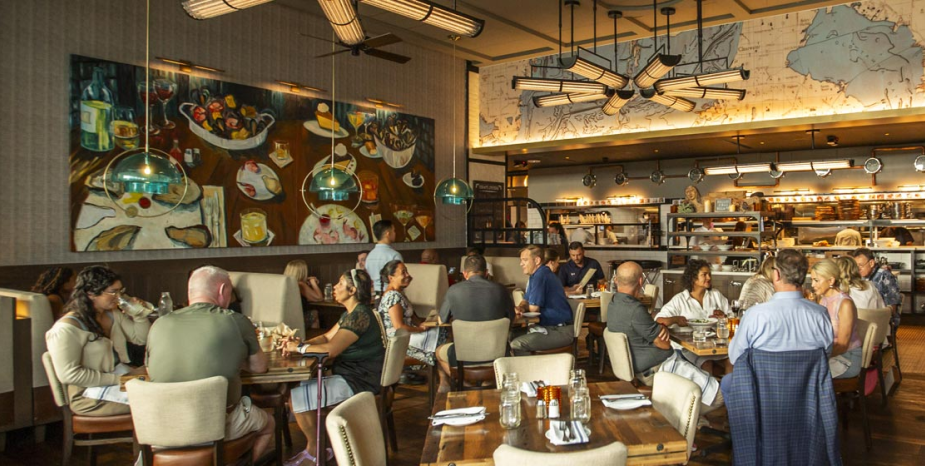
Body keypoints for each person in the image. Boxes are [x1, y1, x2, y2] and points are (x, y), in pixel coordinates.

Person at [145, 266, 274, 463]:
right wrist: (232, 359)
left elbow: (149, 370)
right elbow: (259, 367)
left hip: (161, 429)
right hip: (214, 426)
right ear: (223, 290)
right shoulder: (236, 321)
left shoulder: (159, 324)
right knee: (268, 424)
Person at [280, 269, 384, 466]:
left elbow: (331, 350)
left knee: (295, 396)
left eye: (340, 283)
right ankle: (318, 447)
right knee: (296, 388)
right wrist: (301, 344)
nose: (335, 287)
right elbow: (326, 337)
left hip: (360, 380)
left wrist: (299, 348)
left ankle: (315, 451)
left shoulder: (359, 316)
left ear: (352, 290)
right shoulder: (351, 314)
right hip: (353, 375)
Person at [45, 266, 150, 416]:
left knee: (164, 388)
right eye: (113, 292)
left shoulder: (112, 313)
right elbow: (69, 375)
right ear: (91, 293)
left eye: (121, 291)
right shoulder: (66, 329)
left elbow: (140, 339)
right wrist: (119, 379)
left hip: (117, 379)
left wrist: (138, 314)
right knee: (154, 400)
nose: (119, 297)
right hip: (88, 395)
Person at [724, 249, 835, 393]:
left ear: (776, 275)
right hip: (807, 394)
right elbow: (825, 355)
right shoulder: (820, 314)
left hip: (763, 394)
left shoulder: (755, 315)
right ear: (803, 277)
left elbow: (735, 357)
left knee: (727, 383)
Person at [435, 254, 515, 391]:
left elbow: (442, 320)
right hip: (497, 355)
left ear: (465, 274)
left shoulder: (453, 290)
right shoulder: (501, 290)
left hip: (462, 357)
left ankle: (460, 381)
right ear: (487, 273)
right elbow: (511, 319)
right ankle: (487, 381)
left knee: (438, 352)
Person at [655, 259, 731, 370]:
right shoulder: (680, 300)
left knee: (731, 360)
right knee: (706, 363)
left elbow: (732, 318)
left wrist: (723, 316)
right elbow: (659, 320)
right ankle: (708, 382)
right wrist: (676, 319)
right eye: (704, 275)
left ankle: (729, 382)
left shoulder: (715, 295)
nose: (709, 278)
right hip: (688, 348)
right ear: (693, 278)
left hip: (714, 345)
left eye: (709, 274)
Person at [608, 262, 671, 382]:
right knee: (708, 386)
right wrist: (662, 327)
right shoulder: (635, 310)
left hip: (636, 365)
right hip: (656, 370)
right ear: (641, 281)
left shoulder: (613, 303)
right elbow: (664, 344)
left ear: (616, 280)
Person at [377, 260, 444, 369]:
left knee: (440, 331)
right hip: (400, 341)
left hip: (406, 335)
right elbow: (399, 327)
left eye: (407, 271)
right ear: (391, 278)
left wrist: (424, 323)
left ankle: (443, 375)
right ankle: (445, 375)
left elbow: (411, 317)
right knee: (443, 335)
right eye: (403, 272)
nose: (408, 275)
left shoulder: (399, 293)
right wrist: (420, 329)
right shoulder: (392, 296)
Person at [511, 245, 573, 355]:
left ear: (537, 260)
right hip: (548, 327)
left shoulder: (541, 275)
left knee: (517, 343)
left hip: (559, 330)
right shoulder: (535, 276)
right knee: (510, 335)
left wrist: (526, 307)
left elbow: (534, 309)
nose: (521, 264)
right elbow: (525, 301)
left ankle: (533, 366)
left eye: (525, 260)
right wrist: (521, 307)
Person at [810, 260, 863, 379]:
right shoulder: (823, 300)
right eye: (812, 280)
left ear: (831, 281)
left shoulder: (845, 304)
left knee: (807, 374)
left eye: (816, 280)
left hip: (847, 358)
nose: (812, 285)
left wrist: (817, 358)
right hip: (831, 355)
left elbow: (842, 345)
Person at [850, 248, 902, 322]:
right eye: (856, 266)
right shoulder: (859, 276)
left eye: (861, 265)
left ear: (871, 263)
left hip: (882, 318)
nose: (858, 269)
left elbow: (893, 305)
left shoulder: (885, 276)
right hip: (865, 315)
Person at [366, 220, 403, 295]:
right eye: (394, 231)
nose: (395, 233)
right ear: (388, 234)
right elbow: (400, 279)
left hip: (375, 294)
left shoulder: (370, 256)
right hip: (392, 294)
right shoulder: (394, 255)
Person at [284, 259, 323, 329]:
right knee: (315, 313)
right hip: (297, 320)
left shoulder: (285, 283)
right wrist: (313, 282)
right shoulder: (300, 284)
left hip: (285, 319)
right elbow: (319, 298)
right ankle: (313, 335)